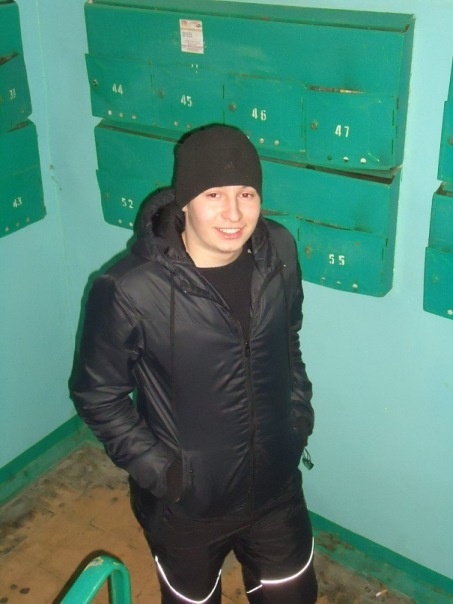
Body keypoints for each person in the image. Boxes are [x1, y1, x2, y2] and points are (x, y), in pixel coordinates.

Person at [72, 124, 317, 604]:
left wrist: (298, 417)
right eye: (214, 194)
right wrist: (163, 472)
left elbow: (289, 337)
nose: (234, 213)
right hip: (186, 509)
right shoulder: (129, 288)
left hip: (277, 491)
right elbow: (97, 395)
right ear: (184, 201)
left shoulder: (280, 252)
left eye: (246, 193)